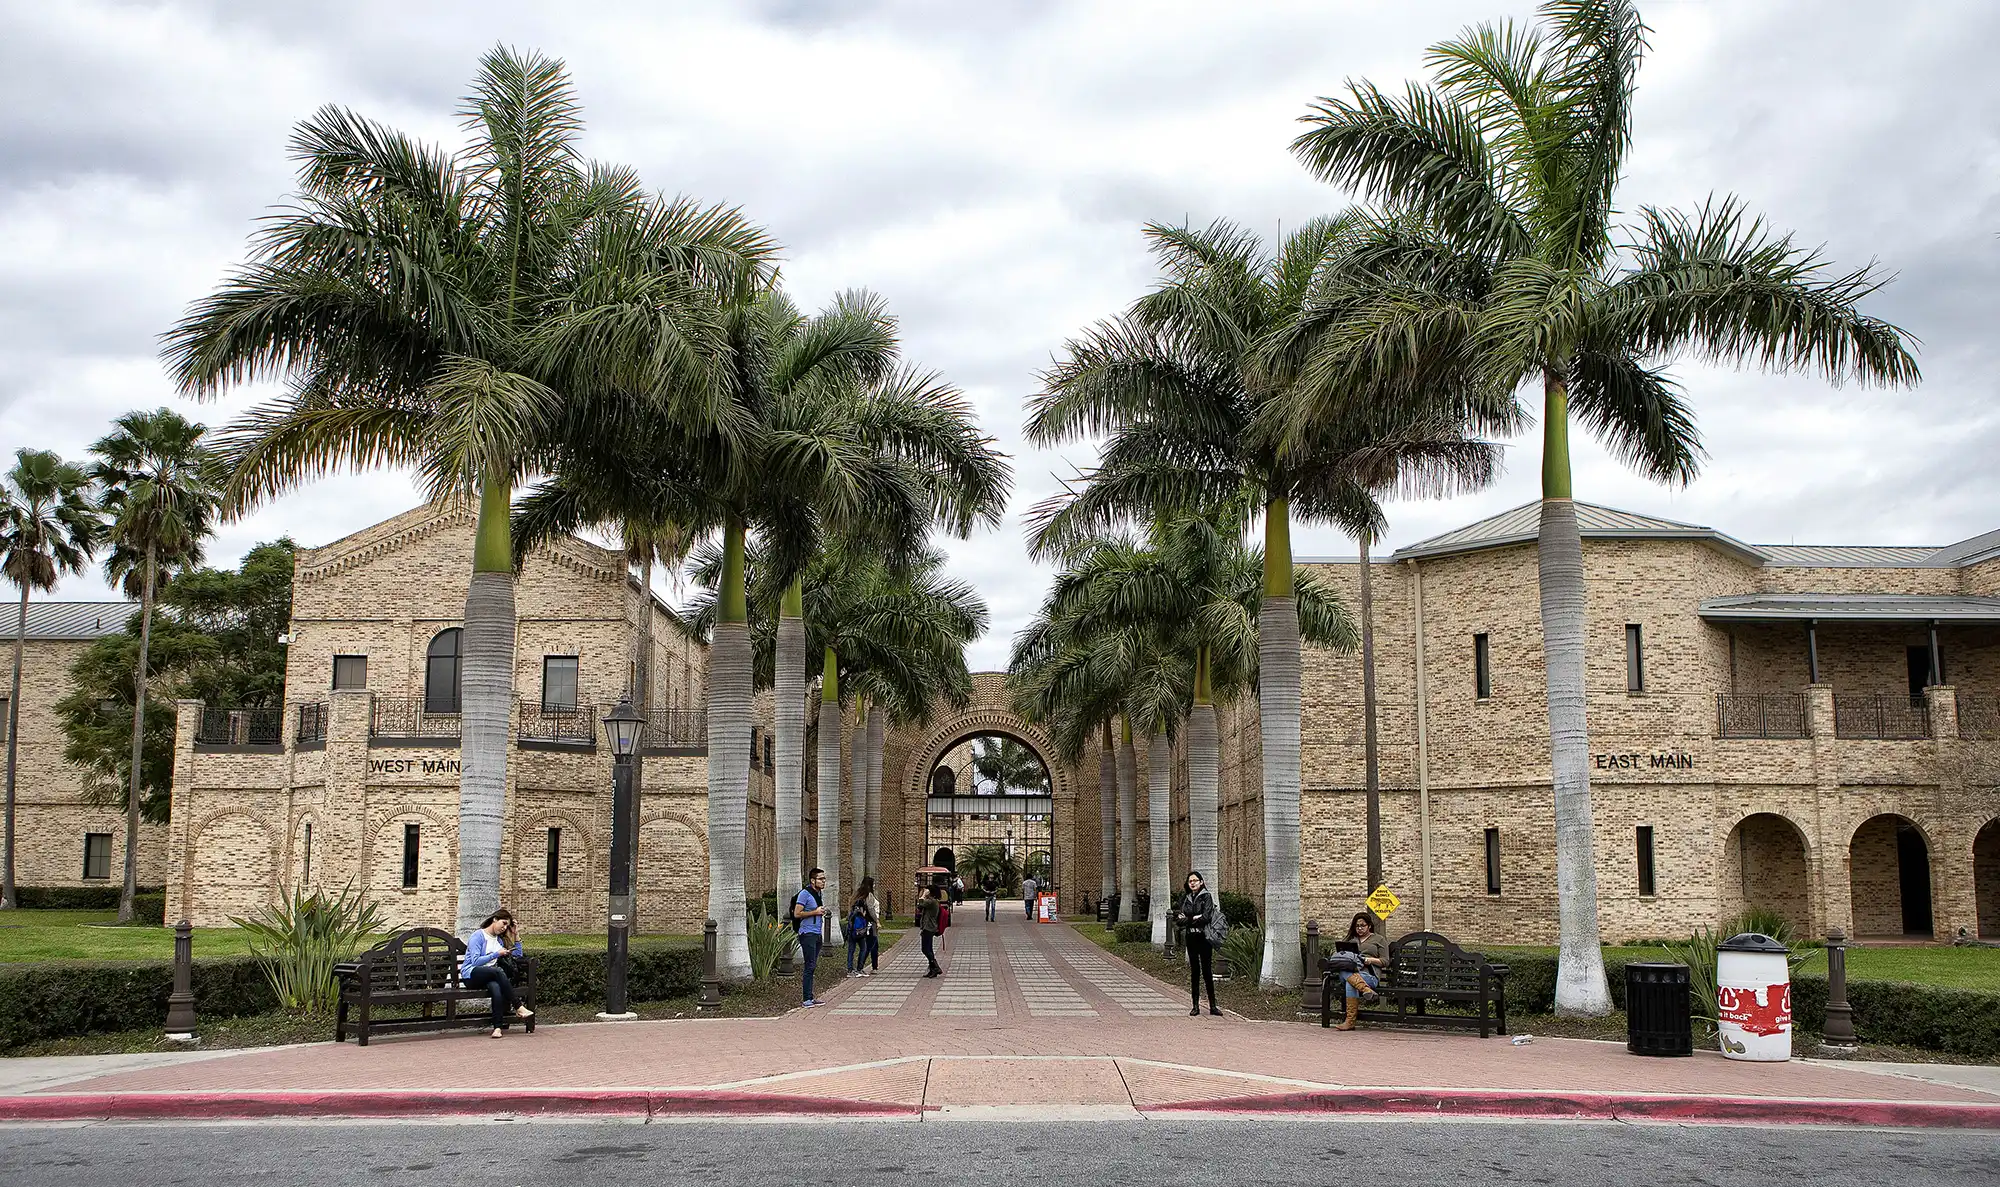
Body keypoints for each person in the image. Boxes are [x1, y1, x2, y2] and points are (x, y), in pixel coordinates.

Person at [462, 909, 534, 1037]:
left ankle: (497, 1028)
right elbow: (476, 961)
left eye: (507, 925)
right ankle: (518, 1006)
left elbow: (517, 955)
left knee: (496, 988)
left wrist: (515, 935)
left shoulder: (499, 941)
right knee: (497, 971)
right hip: (471, 975)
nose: (504, 927)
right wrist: (496, 954)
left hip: (490, 975)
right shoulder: (478, 936)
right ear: (495, 919)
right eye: (503, 923)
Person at [1174, 870, 1222, 1017]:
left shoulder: (1206, 896)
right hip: (1191, 937)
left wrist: (1189, 918)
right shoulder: (1186, 898)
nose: (1193, 883)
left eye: (1195, 880)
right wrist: (1194, 917)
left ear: (1201, 882)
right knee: (1195, 971)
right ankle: (1195, 1006)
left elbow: (1207, 917)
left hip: (1204, 937)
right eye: (1190, 881)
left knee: (1207, 971)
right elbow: (1179, 919)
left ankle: (1213, 1006)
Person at [1332, 911, 1389, 1031]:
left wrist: (1370, 960)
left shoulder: (1379, 939)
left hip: (1369, 975)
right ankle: (1366, 990)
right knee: (1345, 971)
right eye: (1357, 926)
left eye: (1362, 925)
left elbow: (1385, 961)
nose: (1359, 928)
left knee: (1350, 982)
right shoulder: (1350, 940)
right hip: (1349, 971)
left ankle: (1350, 1021)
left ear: (1369, 926)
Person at [791, 867, 829, 1008]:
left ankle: (811, 997)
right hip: (807, 934)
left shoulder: (818, 894)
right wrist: (815, 912)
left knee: (812, 966)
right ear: (813, 880)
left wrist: (819, 912)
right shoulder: (805, 894)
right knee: (809, 966)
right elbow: (797, 913)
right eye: (820, 879)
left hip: (816, 933)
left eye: (824, 878)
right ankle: (806, 999)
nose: (823, 881)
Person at [847, 876, 879, 975]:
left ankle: (851, 969)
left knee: (851, 949)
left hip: (852, 925)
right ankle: (859, 968)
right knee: (864, 947)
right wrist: (877, 921)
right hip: (863, 926)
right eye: (873, 884)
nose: (874, 886)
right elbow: (871, 909)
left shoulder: (856, 894)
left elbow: (850, 909)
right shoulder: (868, 895)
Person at [916, 886, 944, 977]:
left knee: (925, 949)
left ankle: (935, 967)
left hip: (929, 927)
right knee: (929, 949)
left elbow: (920, 903)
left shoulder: (932, 901)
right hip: (929, 927)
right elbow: (919, 907)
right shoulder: (932, 901)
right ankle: (933, 969)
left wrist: (923, 895)